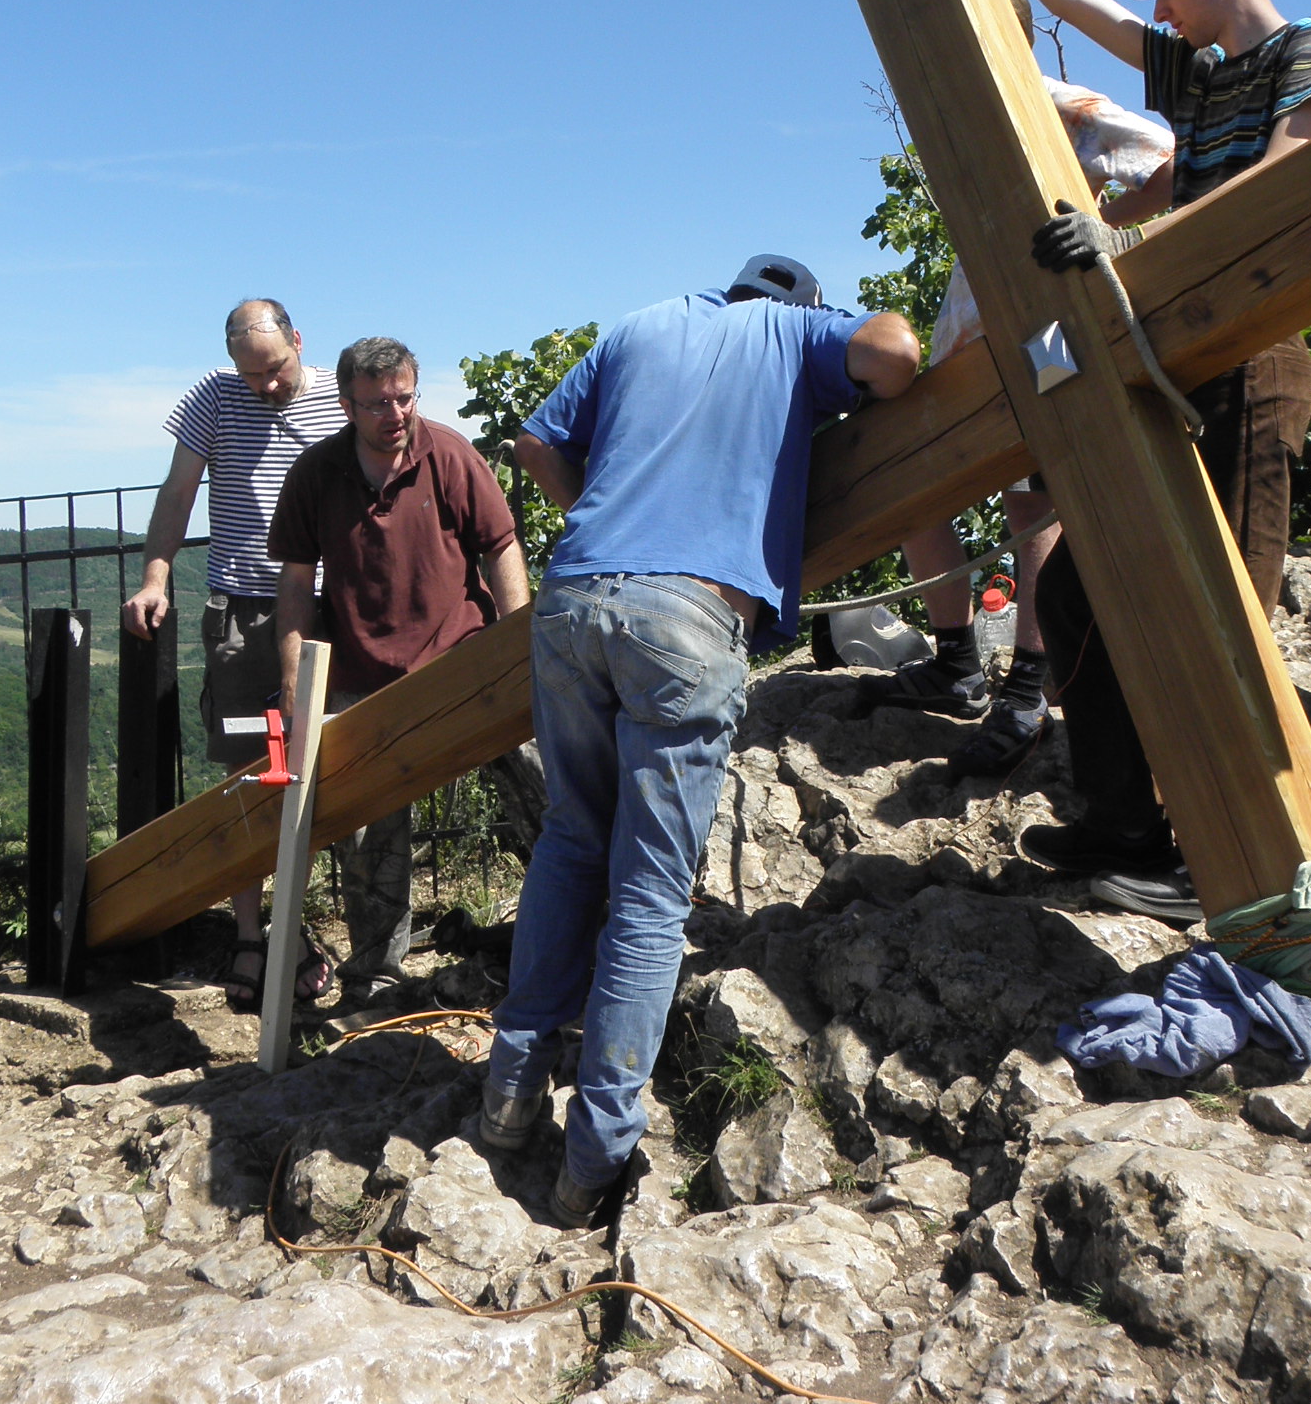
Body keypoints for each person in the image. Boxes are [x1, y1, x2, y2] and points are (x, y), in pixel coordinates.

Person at [917, 0, 1311, 922]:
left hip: (1254, 355)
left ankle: (1228, 858)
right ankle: (1122, 826)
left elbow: (1280, 185)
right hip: (1179, 359)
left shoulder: (1305, 51)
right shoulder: (1193, 73)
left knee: (1222, 612)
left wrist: (1124, 247)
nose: (1153, 14)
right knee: (1072, 590)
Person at [477, 256, 920, 1224]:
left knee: (568, 838)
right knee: (645, 894)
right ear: (799, 306)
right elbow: (894, 350)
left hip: (573, 597)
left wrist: (608, 512)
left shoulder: (641, 323)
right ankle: (593, 1159)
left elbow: (536, 443)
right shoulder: (792, 335)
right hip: (686, 617)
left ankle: (508, 1097)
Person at [863, 0, 1173, 781]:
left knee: (1033, 499)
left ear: (1007, 30)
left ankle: (1029, 687)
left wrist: (1115, 234)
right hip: (974, 339)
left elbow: (1170, 158)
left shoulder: (1058, 101)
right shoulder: (961, 114)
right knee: (915, 482)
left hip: (1048, 331)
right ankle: (959, 659)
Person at [265, 336, 531, 1010]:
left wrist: (519, 645)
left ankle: (581, 928)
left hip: (460, 660)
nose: (395, 413)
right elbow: (296, 586)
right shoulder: (316, 473)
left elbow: (501, 546)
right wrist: (298, 679)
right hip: (359, 673)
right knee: (367, 839)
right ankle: (375, 981)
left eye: (405, 397)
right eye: (378, 402)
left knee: (544, 783)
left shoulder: (450, 454)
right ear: (347, 404)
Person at [122, 298, 348, 1010]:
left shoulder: (341, 402)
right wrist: (156, 575)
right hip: (243, 613)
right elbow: (178, 491)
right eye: (252, 376)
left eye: (276, 371)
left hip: (328, 611)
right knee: (251, 777)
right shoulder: (213, 398)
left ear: (298, 344)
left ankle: (305, 932)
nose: (267, 388)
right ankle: (251, 936)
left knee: (330, 774)